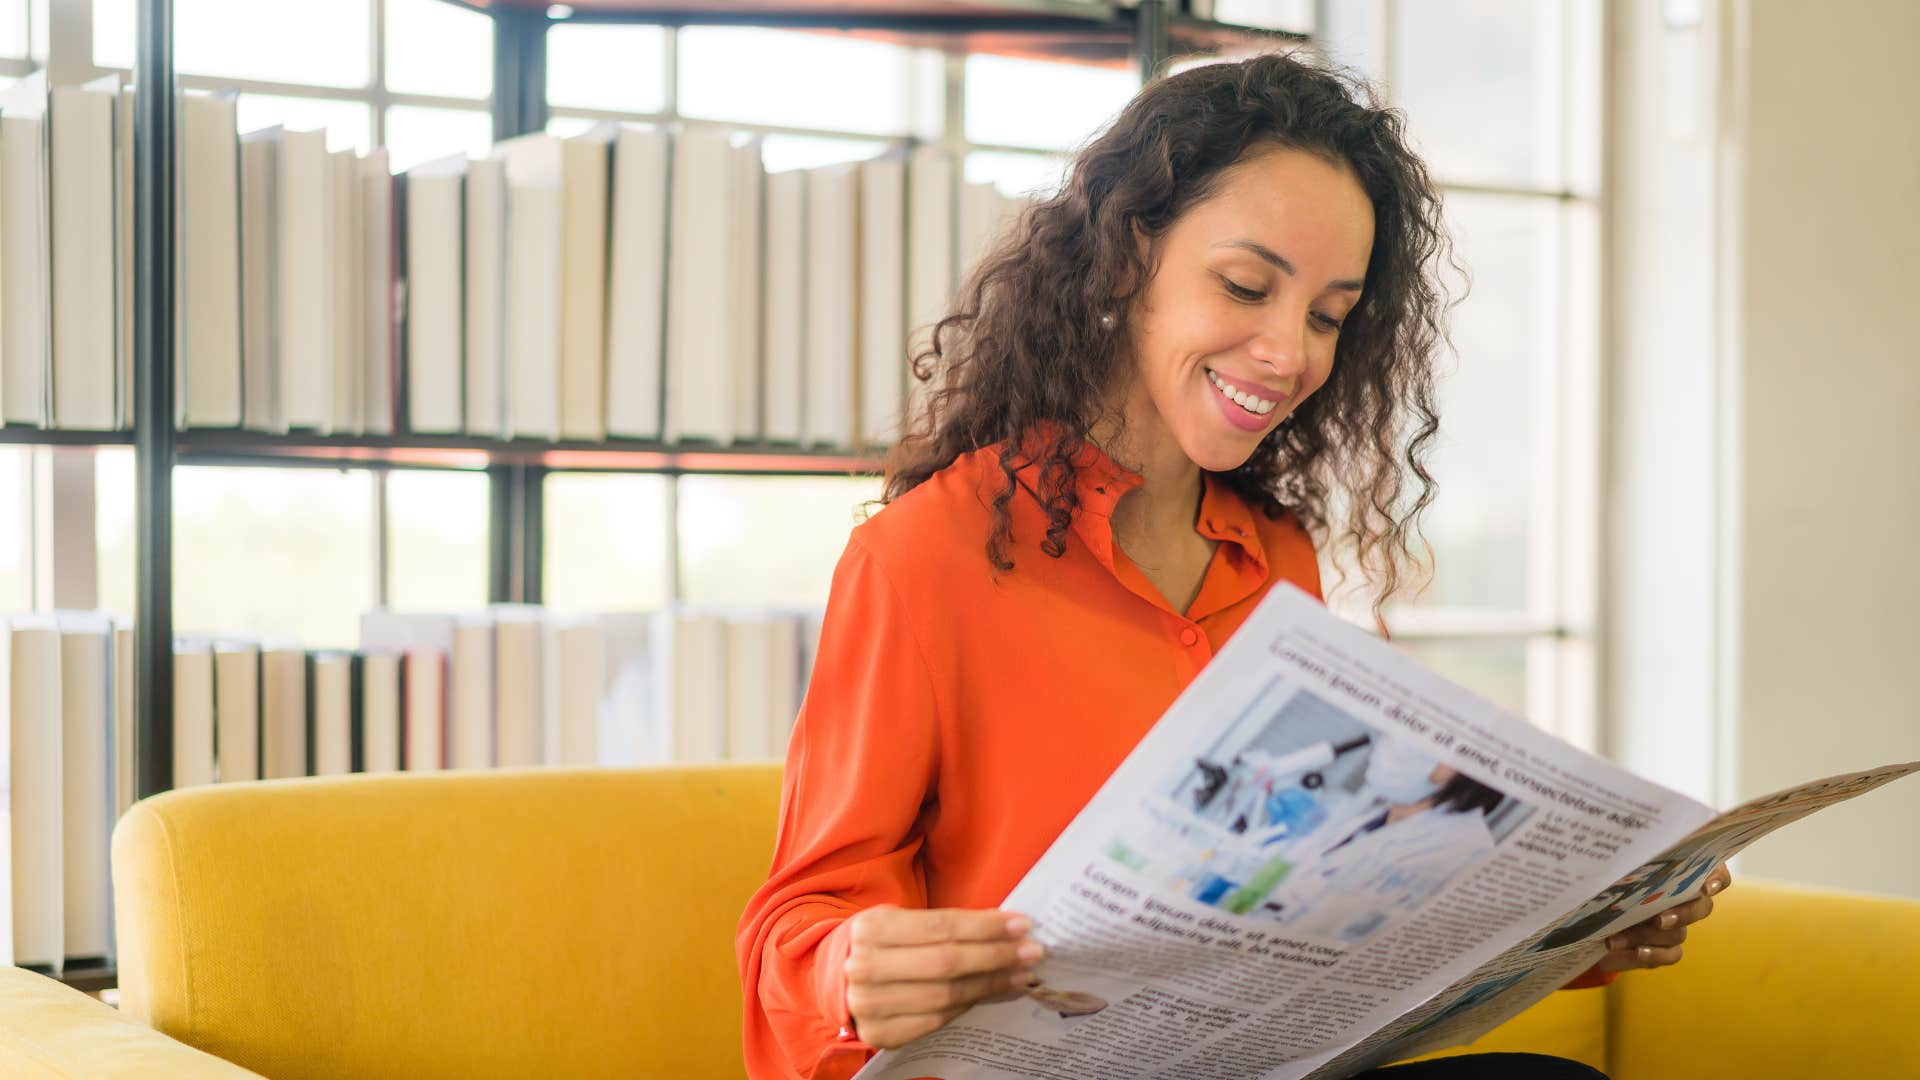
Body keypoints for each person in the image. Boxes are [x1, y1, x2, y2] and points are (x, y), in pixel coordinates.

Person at [735, 52, 1727, 1080]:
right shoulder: (926, 556)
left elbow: (1332, 899)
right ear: (1127, 260)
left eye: (1328, 315)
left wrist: (1579, 932)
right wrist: (850, 967)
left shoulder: (1276, 559)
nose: (1289, 352)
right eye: (1246, 286)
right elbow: (796, 917)